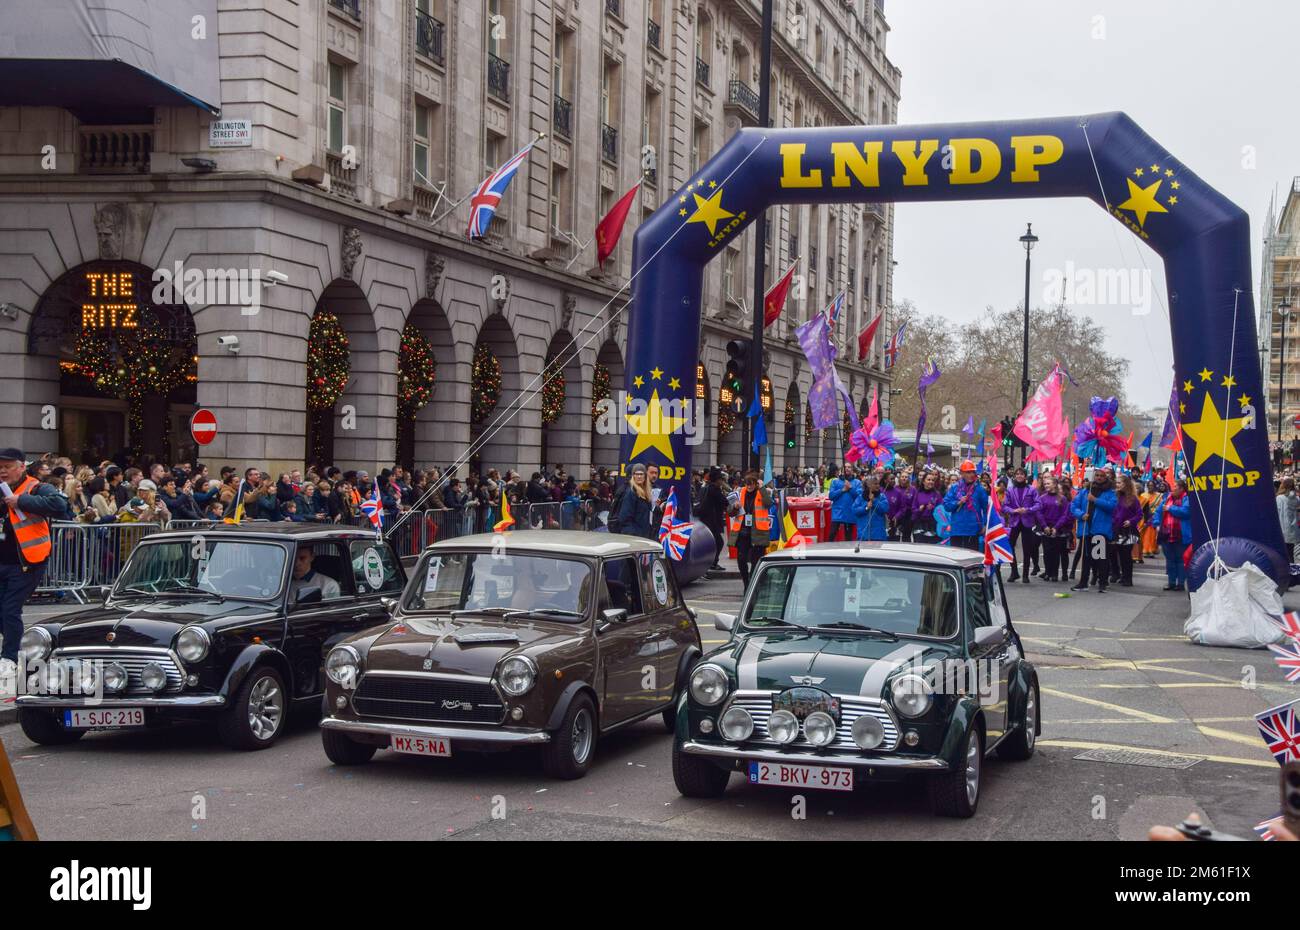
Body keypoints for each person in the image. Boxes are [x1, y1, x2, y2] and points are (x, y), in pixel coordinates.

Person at [0, 449, 63, 697]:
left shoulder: (36, 488)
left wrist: (21, 501)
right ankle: (22, 650)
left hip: (27, 562)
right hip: (3, 561)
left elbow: (60, 505)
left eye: (7, 466)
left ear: (21, 467)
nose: (3, 470)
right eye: (0, 467)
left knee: (10, 609)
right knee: (2, 611)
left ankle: (9, 658)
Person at [1070, 469, 1117, 593]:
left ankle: (1102, 582)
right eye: (1097, 475)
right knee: (1086, 557)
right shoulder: (1085, 491)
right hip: (1086, 529)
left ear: (1106, 477)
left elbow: (1112, 507)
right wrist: (1081, 515)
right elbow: (1074, 506)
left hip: (1100, 530)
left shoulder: (1110, 492)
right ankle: (1083, 582)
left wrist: (1095, 500)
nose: (1099, 477)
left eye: (1102, 476)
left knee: (1101, 557)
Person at [727, 470, 773, 588]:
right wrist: (734, 507)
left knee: (755, 561)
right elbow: (730, 512)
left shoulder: (763, 491)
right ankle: (746, 583)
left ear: (756, 483)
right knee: (741, 559)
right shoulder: (739, 492)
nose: (749, 486)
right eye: (747, 483)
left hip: (758, 532)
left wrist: (762, 488)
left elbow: (768, 504)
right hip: (742, 532)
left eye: (752, 483)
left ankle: (752, 585)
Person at [1153, 479, 1192, 592]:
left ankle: (1180, 584)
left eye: (1175, 486)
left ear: (1181, 489)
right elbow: (1158, 512)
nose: (1173, 488)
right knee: (1170, 560)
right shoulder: (1167, 498)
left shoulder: (1187, 499)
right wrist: (1156, 524)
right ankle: (1171, 582)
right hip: (1166, 534)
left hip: (1181, 535)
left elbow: (1186, 512)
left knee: (1180, 560)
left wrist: (1170, 508)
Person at [1003, 467, 1040, 583]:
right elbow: (1005, 506)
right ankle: (1014, 572)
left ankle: (1025, 575)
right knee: (1009, 546)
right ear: (1014, 476)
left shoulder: (1032, 490)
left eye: (1021, 474)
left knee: (1027, 548)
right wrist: (1013, 511)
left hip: (1027, 521)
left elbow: (1038, 504)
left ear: (1025, 476)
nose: (1019, 476)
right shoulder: (1010, 490)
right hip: (1015, 521)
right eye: (1017, 474)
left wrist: (1027, 509)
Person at [943, 460, 988, 551]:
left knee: (971, 558)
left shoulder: (979, 489)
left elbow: (986, 508)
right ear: (962, 473)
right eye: (968, 472)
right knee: (956, 557)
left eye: (973, 472)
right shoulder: (954, 488)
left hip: (973, 530)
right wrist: (958, 502)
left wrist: (985, 525)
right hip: (957, 530)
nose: (971, 474)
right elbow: (946, 505)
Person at [1035, 476, 1073, 582]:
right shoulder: (1042, 498)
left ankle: (1055, 573)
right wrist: (1044, 526)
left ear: (1054, 484)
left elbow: (1065, 514)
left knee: (1056, 552)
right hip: (1045, 527)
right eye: (1045, 484)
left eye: (1048, 483)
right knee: (1047, 551)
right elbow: (1039, 513)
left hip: (1058, 528)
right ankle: (1048, 572)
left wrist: (1056, 527)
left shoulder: (1062, 498)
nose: (1046, 485)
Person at [1110, 474, 1142, 587]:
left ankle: (1128, 578)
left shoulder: (1133, 499)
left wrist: (1131, 521)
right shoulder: (1116, 497)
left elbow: (1139, 514)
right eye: (1117, 483)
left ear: (1126, 484)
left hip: (1127, 531)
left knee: (1126, 555)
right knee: (1117, 554)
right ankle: (1122, 576)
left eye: (1119, 483)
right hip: (1116, 530)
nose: (1117, 485)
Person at [694, 467, 729, 570]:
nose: (722, 481)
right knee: (719, 542)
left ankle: (711, 563)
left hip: (706, 520)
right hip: (711, 521)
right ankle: (712, 563)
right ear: (717, 480)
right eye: (721, 479)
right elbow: (724, 502)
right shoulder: (714, 489)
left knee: (716, 542)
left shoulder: (707, 487)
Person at [614, 463, 654, 539]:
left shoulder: (646, 492)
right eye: (636, 474)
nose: (639, 476)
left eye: (641, 474)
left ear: (645, 476)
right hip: (634, 538)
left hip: (644, 536)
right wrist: (634, 536)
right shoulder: (631, 492)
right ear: (633, 476)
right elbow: (624, 518)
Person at [853, 475, 890, 541]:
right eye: (875, 484)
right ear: (868, 485)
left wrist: (874, 501)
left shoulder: (882, 496)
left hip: (878, 535)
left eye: (878, 484)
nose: (878, 486)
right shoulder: (860, 497)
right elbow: (854, 511)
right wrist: (866, 507)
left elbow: (885, 509)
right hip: (864, 535)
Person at [910, 470, 943, 544]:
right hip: (919, 524)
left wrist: (933, 508)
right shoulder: (918, 493)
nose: (931, 481)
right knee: (920, 548)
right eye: (928, 480)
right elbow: (913, 509)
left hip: (932, 525)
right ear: (923, 482)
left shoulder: (937, 494)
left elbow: (941, 510)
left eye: (932, 480)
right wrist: (919, 509)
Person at [827, 465, 859, 542]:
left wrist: (850, 488)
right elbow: (831, 496)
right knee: (832, 534)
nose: (847, 468)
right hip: (837, 513)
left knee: (848, 536)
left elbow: (858, 496)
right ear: (842, 469)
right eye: (845, 467)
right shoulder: (835, 481)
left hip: (849, 512)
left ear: (852, 470)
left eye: (849, 467)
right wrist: (842, 490)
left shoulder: (857, 482)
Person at [1277, 477, 1298, 564]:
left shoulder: (1280, 498)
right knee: (1290, 552)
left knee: (1281, 553)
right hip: (1292, 529)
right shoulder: (1296, 499)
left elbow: (1277, 513)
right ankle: (1292, 569)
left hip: (1282, 528)